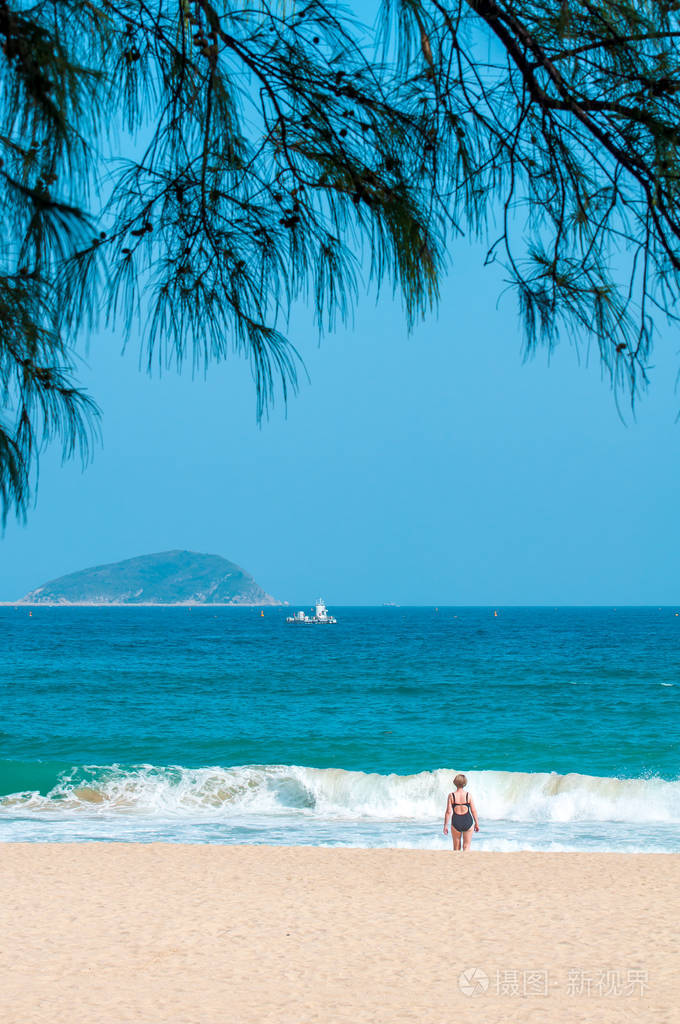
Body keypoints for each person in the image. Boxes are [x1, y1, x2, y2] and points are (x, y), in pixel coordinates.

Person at [443, 773, 480, 851]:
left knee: (456, 848)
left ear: (455, 782)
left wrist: (445, 826)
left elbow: (448, 812)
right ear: (464, 783)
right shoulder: (468, 795)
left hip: (456, 821)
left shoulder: (451, 795)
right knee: (466, 846)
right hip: (468, 821)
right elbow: (473, 810)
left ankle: (456, 862)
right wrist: (477, 823)